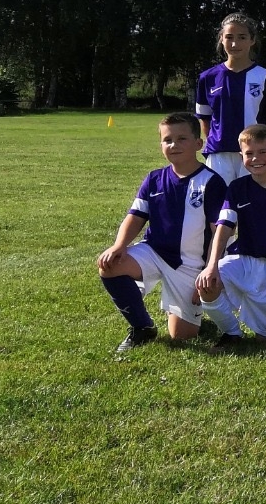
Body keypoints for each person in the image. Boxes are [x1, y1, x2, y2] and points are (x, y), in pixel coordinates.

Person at [97, 112, 226, 353]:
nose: (174, 145)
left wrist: (211, 268)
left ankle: (192, 316)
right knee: (110, 265)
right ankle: (142, 327)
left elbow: (218, 231)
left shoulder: (212, 182)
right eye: (167, 140)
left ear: (198, 144)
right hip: (154, 252)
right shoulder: (155, 178)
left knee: (181, 337)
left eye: (181, 139)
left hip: (191, 265)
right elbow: (136, 216)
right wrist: (119, 245)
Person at [195, 124, 266, 345]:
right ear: (241, 157)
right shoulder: (237, 188)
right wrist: (211, 265)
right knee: (206, 283)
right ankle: (231, 333)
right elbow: (224, 227)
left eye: (263, 152)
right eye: (249, 153)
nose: (256, 158)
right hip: (241, 261)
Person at [195, 12, 266, 185]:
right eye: (229, 37)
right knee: (220, 199)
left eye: (242, 37)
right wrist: (219, 141)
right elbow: (205, 119)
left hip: (253, 153)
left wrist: (261, 147)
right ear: (221, 39)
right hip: (219, 154)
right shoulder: (207, 77)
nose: (235, 44)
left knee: (251, 199)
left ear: (252, 40)